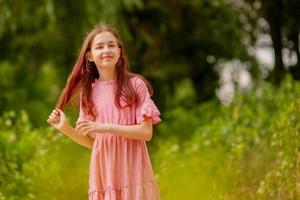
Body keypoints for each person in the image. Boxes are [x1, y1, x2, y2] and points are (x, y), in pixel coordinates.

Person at [47, 23, 162, 200]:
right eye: (99, 47)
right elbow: (94, 143)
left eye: (111, 45)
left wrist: (105, 127)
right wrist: (65, 128)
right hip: (105, 178)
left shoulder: (136, 85)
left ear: (119, 51)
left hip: (134, 174)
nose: (106, 50)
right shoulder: (88, 93)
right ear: (90, 56)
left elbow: (146, 133)